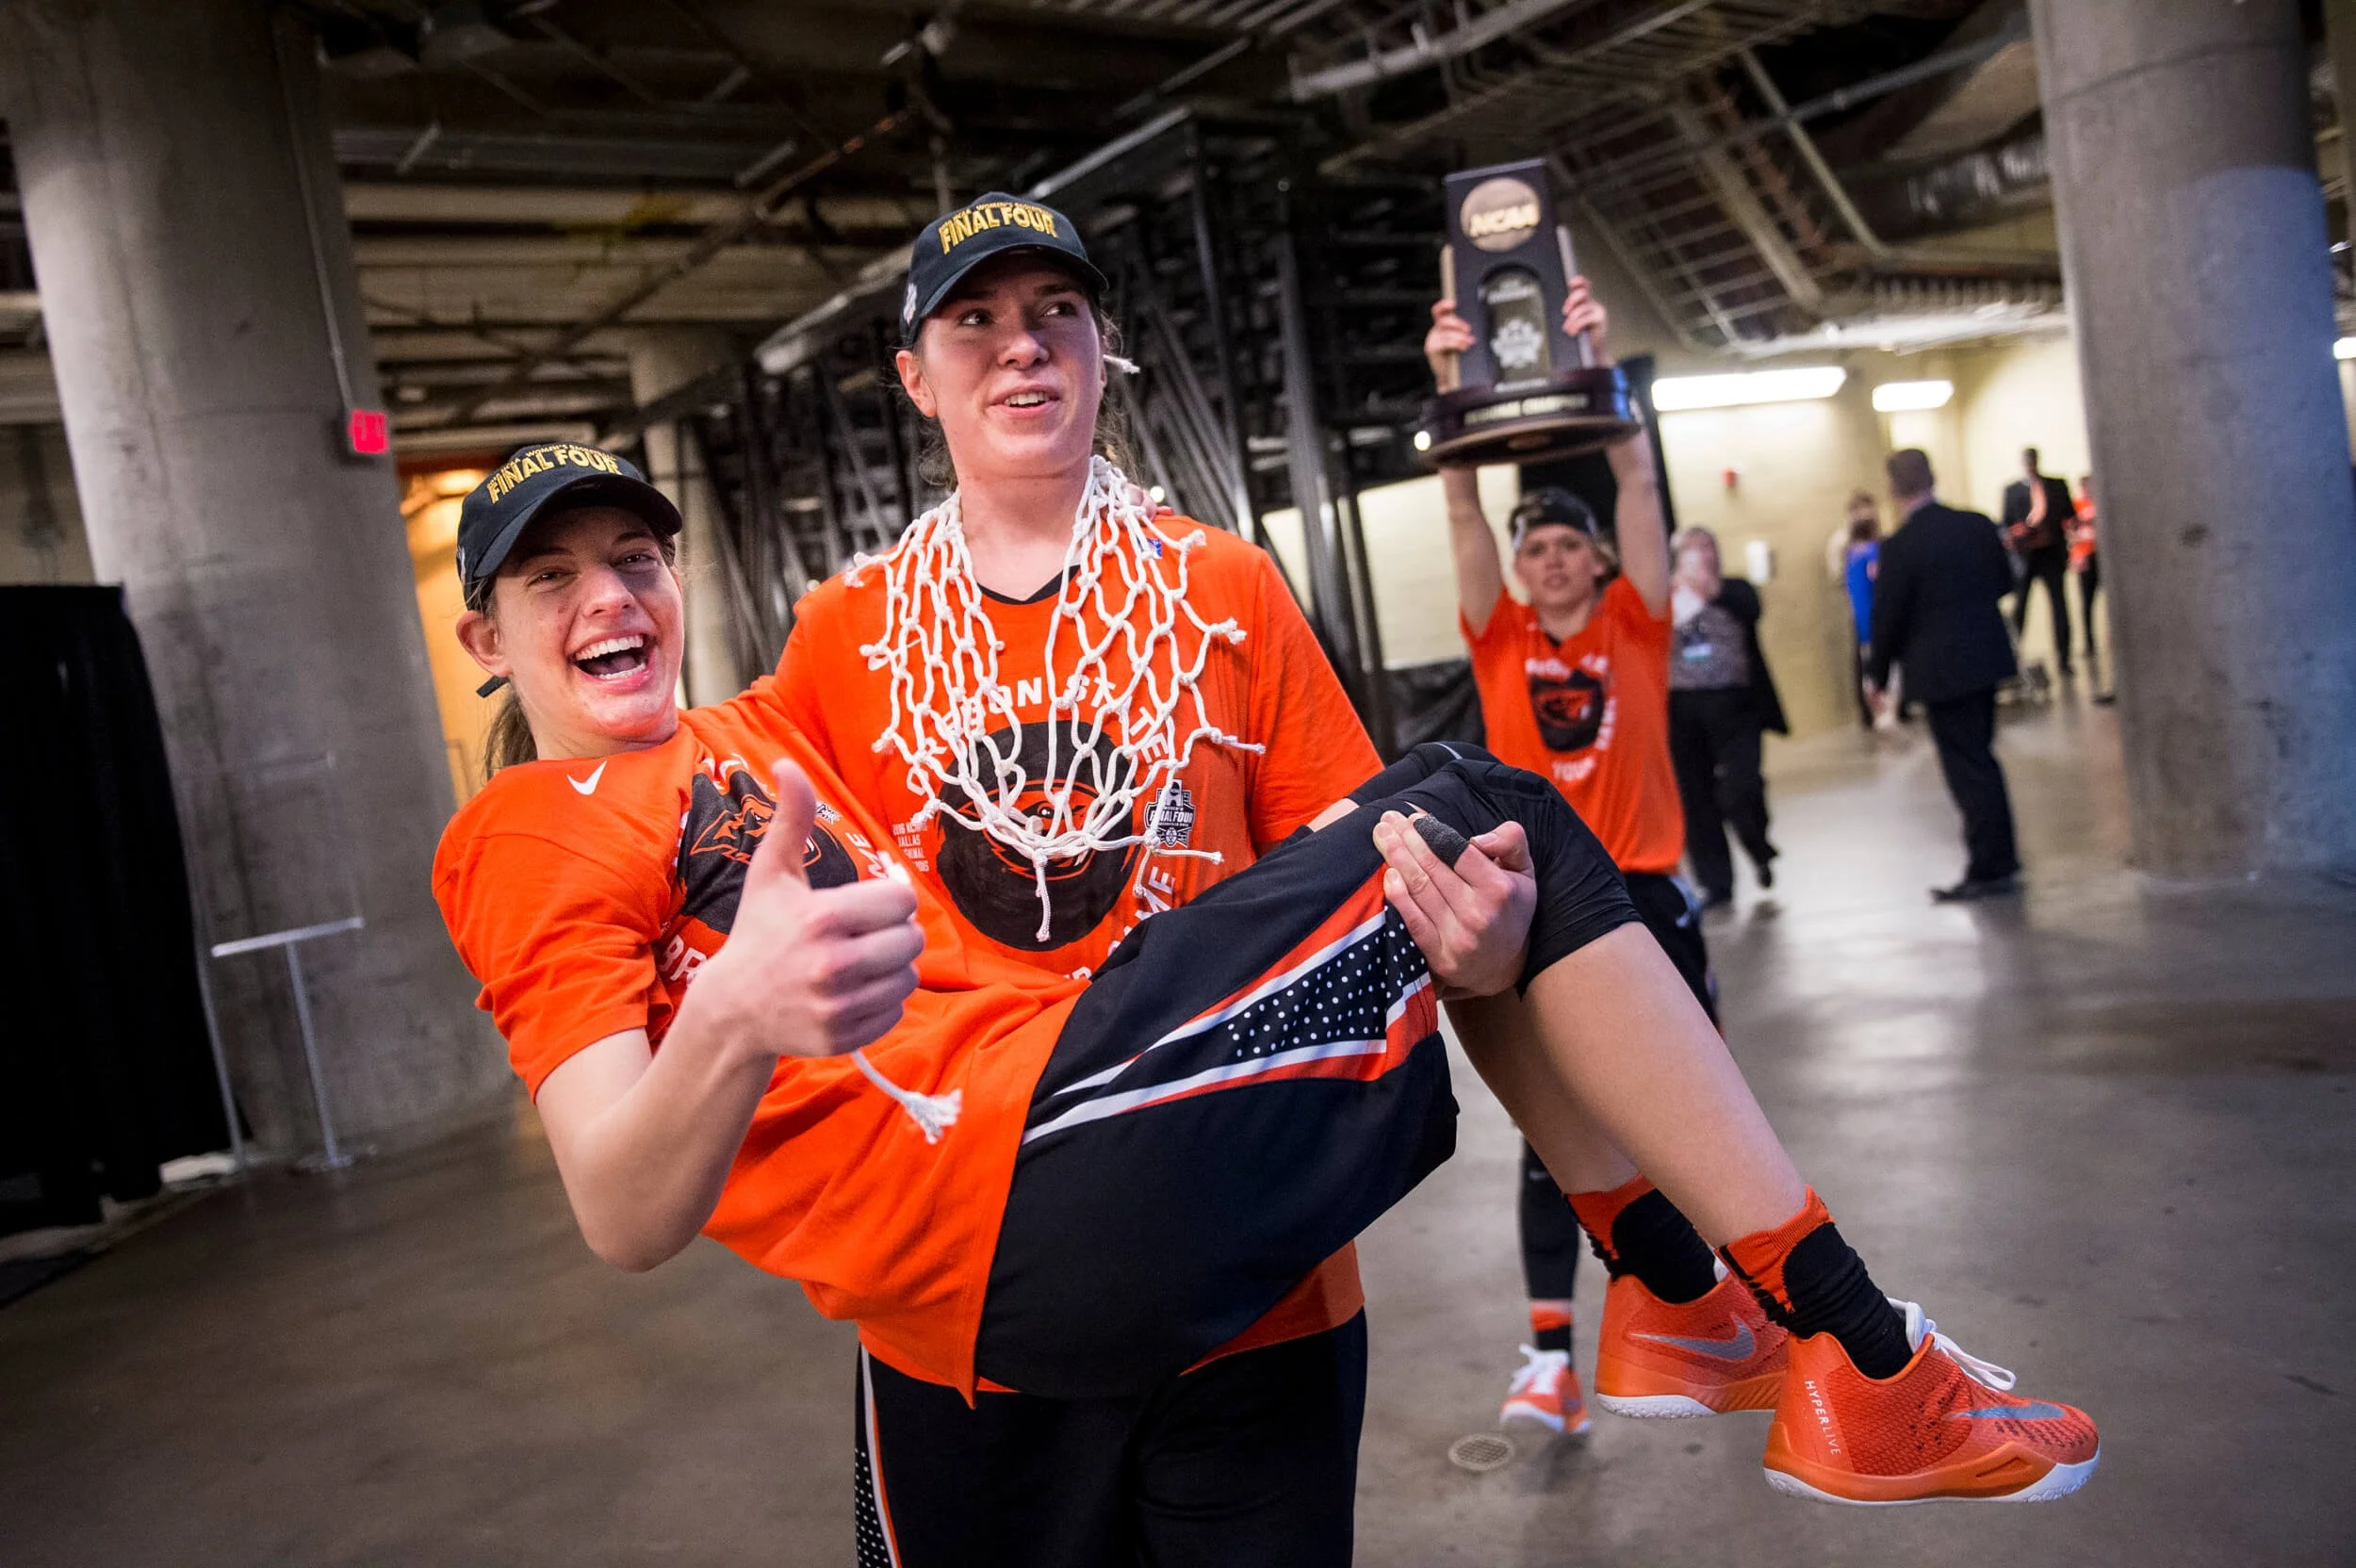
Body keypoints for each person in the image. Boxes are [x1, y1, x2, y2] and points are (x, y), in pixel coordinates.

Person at [433, 445, 2097, 1552]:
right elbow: (618, 1205)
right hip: (1012, 1194)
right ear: (487, 637)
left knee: (1488, 846)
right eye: (552, 579)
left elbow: (1007, 671)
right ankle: (1844, 1343)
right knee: (1464, 797)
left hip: (1080, 1139)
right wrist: (731, 1015)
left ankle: (1687, 1289)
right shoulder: (518, 834)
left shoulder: (771, 725)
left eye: (635, 555)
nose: (611, 598)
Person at [776, 195, 1383, 1559]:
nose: (1022, 349)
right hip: (965, 1294)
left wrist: (1467, 911)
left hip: (1245, 1265)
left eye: (1056, 313)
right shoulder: (844, 637)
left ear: (1105, 351)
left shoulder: (1221, 587)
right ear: (915, 379)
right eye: (975, 321)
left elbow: (1348, 862)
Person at [1423, 286, 1770, 1440]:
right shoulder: (1501, 635)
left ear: (1597, 562)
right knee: (1555, 1141)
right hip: (1537, 911)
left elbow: (1638, 487)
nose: (1557, 557)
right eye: (1539, 547)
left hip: (1644, 898)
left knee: (1694, 1119)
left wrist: (1594, 363)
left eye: (1571, 543)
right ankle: (1551, 1357)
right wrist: (1453, 388)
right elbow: (1462, 509)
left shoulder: (1636, 625)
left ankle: (1739, 1321)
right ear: (1520, 570)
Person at [1867, 449, 2023, 902]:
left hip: (1940, 670)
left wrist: (1877, 675)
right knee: (1982, 758)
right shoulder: (1976, 525)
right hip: (1985, 659)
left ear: (1894, 490)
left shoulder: (1900, 547)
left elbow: (1888, 617)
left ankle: (1990, 866)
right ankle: (2001, 857)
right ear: (1933, 477)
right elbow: (2004, 582)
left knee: (1967, 767)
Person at [1666, 527, 1787, 906]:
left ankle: (1759, 846)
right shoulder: (1664, 597)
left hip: (1735, 705)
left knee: (1742, 788)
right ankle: (1717, 881)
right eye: (1691, 549)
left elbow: (1752, 607)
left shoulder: (1734, 591)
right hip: (1682, 707)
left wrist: (1709, 590)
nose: (1700, 555)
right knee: (1696, 795)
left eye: (1706, 546)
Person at [2000, 447, 2077, 677]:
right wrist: (2018, 532)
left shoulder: (2055, 485)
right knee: (2020, 607)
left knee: (2059, 605)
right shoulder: (2012, 491)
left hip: (2051, 554)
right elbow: (2005, 523)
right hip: (2026, 557)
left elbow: (2068, 515)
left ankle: (2064, 658)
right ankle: (2010, 659)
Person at [1838, 495, 1881, 729]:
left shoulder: (1874, 547)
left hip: (1874, 613)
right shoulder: (1848, 548)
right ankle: (1869, 710)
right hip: (1864, 616)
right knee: (1864, 664)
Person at [2070, 473, 2102, 662]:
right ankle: (2089, 643)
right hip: (2084, 559)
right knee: (2086, 603)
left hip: (2100, 556)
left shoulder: (2100, 504)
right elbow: (2071, 532)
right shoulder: (2076, 506)